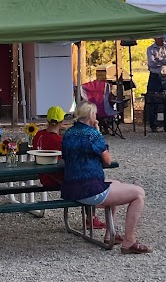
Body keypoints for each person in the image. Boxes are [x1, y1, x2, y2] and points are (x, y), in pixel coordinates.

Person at [60, 101, 149, 255]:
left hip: (71, 188)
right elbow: (107, 161)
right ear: (90, 115)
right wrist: (99, 133)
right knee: (139, 193)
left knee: (116, 184)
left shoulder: (68, 133)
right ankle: (129, 240)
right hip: (89, 190)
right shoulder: (92, 134)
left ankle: (110, 234)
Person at [33, 105, 66, 192]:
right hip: (57, 177)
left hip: (43, 175)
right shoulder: (59, 140)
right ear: (61, 122)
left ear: (47, 120)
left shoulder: (39, 135)